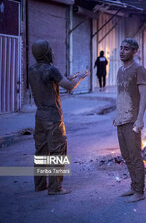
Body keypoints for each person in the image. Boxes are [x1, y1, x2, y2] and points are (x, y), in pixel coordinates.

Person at [29, 39, 89, 195]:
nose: (52, 52)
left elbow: (52, 81)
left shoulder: (32, 69)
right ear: (46, 52)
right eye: (50, 49)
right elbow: (69, 87)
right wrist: (80, 77)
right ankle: (55, 188)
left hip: (39, 116)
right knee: (58, 152)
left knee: (41, 152)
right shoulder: (51, 69)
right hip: (54, 118)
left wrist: (69, 76)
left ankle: (40, 185)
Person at [114, 38, 146, 202]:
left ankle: (139, 192)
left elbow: (144, 95)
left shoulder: (139, 70)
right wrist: (117, 114)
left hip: (132, 120)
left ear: (134, 52)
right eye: (121, 48)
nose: (122, 51)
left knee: (135, 156)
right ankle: (133, 187)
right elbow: (121, 95)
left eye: (126, 49)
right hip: (120, 119)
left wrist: (139, 119)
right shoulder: (120, 70)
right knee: (126, 156)